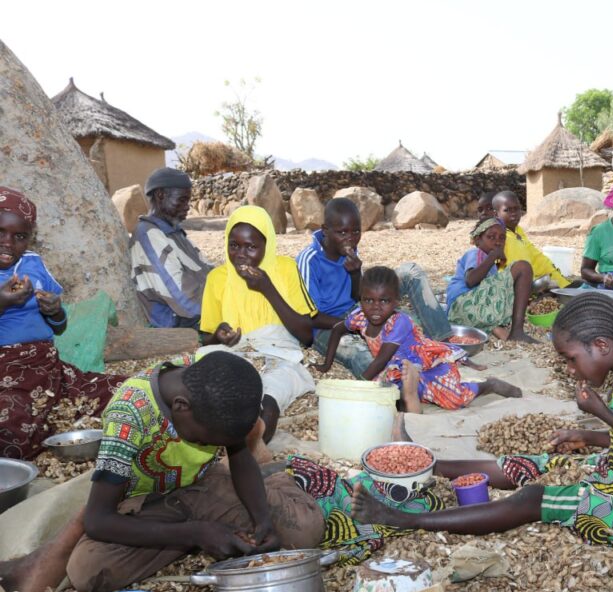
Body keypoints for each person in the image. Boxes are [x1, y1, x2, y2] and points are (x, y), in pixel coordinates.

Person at [350, 293, 613, 546]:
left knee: (532, 499)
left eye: (571, 358)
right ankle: (430, 467)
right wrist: (590, 436)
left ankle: (407, 519)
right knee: (536, 463)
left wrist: (602, 414)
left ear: (602, 346)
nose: (570, 369)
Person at [65, 351, 324, 592]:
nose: (206, 446)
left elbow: (239, 454)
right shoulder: (128, 414)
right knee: (88, 570)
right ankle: (197, 537)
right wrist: (195, 533)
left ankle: (277, 484)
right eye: (203, 441)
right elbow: (97, 520)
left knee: (305, 531)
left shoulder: (215, 387)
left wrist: (262, 519)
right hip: (147, 505)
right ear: (181, 406)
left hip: (205, 486)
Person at [0, 186, 125, 460]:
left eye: (19, 236)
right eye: (1, 232)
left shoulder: (34, 265)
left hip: (48, 371)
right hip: (6, 376)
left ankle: (51, 422)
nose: (8, 243)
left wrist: (55, 311)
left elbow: (59, 327)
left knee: (124, 393)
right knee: (10, 426)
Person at [320, 266, 522, 412]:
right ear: (361, 299)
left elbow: (381, 359)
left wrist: (359, 388)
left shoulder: (400, 322)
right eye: (368, 300)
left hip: (427, 366)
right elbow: (338, 330)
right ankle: (411, 395)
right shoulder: (359, 317)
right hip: (396, 370)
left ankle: (489, 385)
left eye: (384, 301)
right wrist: (326, 364)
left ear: (396, 301)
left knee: (454, 401)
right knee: (389, 401)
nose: (375, 307)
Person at [298, 198, 452, 377]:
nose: (351, 239)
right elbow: (310, 317)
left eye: (356, 231)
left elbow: (358, 297)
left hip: (358, 309)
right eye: (342, 232)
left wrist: (356, 274)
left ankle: (446, 343)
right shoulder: (309, 260)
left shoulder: (348, 247)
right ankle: (393, 387)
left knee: (411, 273)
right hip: (325, 327)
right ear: (326, 230)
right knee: (360, 355)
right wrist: (356, 324)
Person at [199, 206, 317, 441]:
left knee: (268, 405)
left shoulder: (286, 269)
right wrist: (218, 336)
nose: (241, 255)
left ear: (267, 245)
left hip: (280, 355)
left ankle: (250, 454)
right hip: (234, 354)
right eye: (234, 245)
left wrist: (267, 288)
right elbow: (206, 339)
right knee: (216, 395)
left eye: (251, 247)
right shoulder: (217, 278)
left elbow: (306, 335)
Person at [129, 168, 213, 330]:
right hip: (182, 321)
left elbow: (207, 268)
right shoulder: (148, 234)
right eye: (182, 200)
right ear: (160, 195)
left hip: (202, 310)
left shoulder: (174, 231)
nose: (187, 207)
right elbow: (183, 299)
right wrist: (221, 308)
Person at [446, 218, 538, 343]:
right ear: (478, 240)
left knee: (515, 289)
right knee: (523, 267)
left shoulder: (491, 265)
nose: (497, 242)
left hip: (466, 316)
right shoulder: (476, 253)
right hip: (462, 304)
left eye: (502, 238)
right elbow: (470, 280)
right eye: (491, 237)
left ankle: (492, 328)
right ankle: (517, 332)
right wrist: (493, 256)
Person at [492, 191, 572, 287]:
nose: (514, 213)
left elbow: (536, 258)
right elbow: (500, 270)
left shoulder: (518, 231)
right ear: (496, 214)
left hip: (536, 281)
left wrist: (559, 280)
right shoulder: (498, 237)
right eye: (507, 210)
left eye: (517, 209)